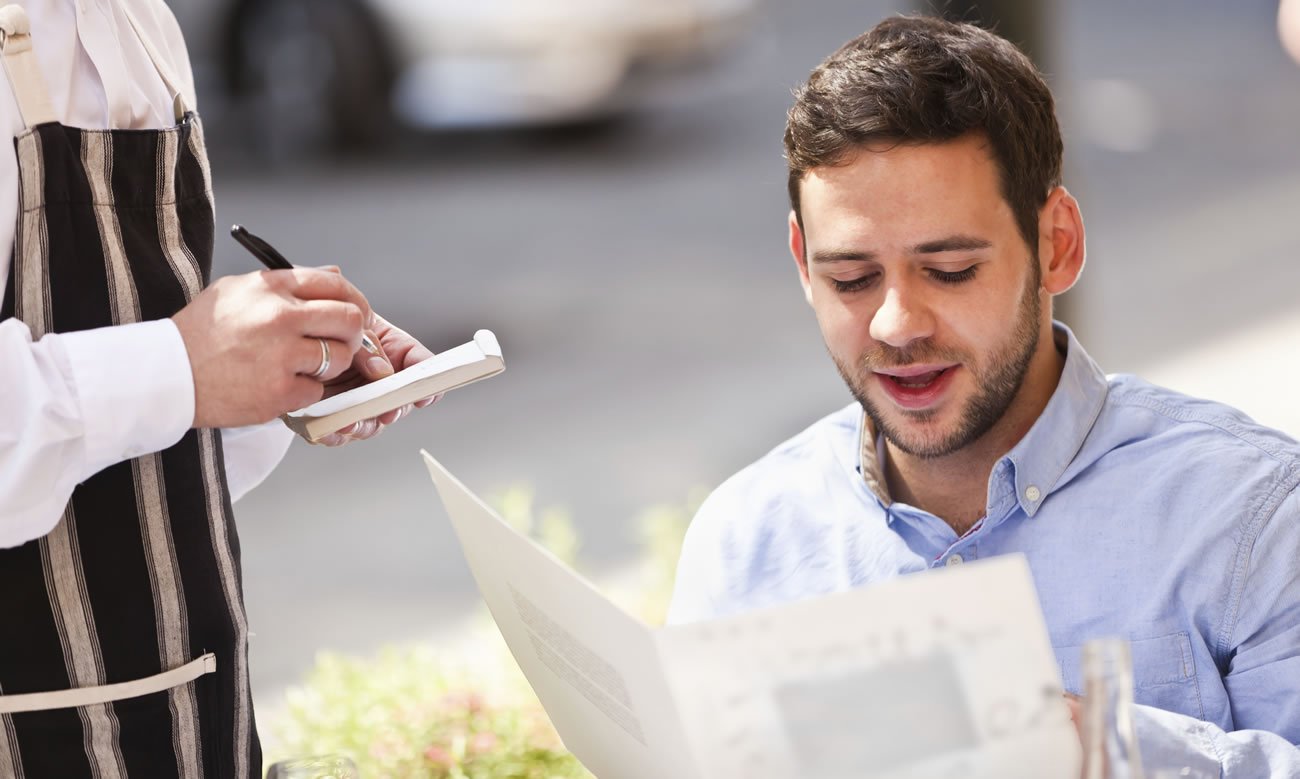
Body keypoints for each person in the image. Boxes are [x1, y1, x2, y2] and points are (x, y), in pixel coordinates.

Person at [667, 15, 1300, 776]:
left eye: (951, 270)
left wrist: (1099, 749)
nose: (897, 325)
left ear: (1057, 244)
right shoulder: (745, 544)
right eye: (852, 279)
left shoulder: (1254, 519)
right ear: (803, 263)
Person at [0, 1, 437, 776]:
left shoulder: (143, 24)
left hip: (200, 723)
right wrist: (180, 367)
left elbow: (129, 448)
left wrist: (273, 370)